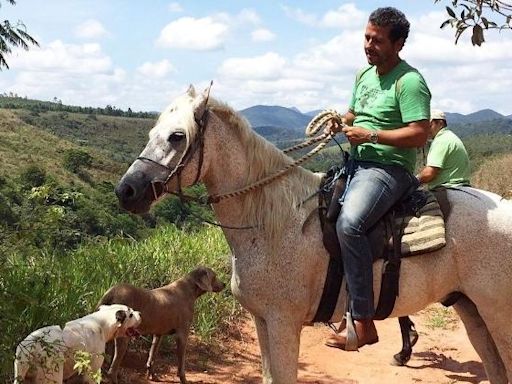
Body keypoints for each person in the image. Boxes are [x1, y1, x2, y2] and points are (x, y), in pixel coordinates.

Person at [324, 7, 431, 350]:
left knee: (349, 224)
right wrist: (339, 121)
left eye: (377, 40)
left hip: (389, 169)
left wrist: (370, 136)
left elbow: (418, 133)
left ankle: (363, 323)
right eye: (367, 37)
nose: (369, 45)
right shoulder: (363, 75)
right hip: (356, 164)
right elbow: (355, 112)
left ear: (398, 44)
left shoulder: (409, 81)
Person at [416, 109, 471, 189]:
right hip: (461, 186)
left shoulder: (441, 140)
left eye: (429, 125)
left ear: (440, 123)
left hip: (448, 187)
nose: (426, 130)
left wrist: (414, 180)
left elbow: (429, 173)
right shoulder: (449, 136)